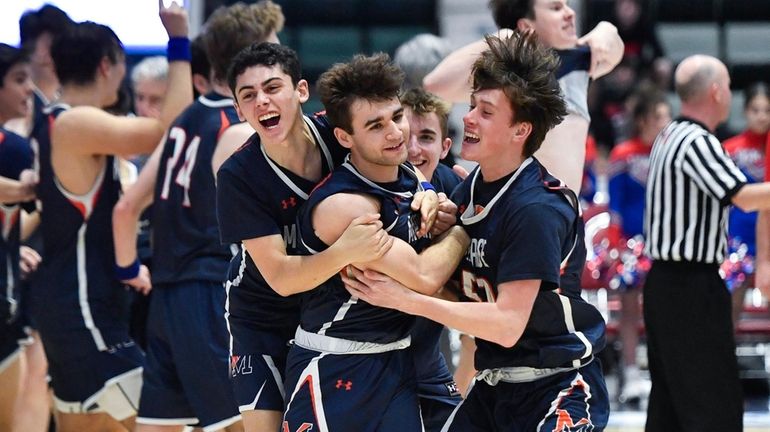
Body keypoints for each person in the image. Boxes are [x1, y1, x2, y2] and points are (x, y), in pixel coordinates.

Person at [343, 32, 609, 431]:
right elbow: (467, 287)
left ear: (520, 130)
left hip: (556, 386)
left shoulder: (535, 208)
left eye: (485, 111)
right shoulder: (474, 188)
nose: (468, 117)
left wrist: (406, 299)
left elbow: (506, 324)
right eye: (471, 106)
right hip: (496, 385)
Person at [217, 41, 410, 432]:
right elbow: (283, 279)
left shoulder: (337, 134)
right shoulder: (237, 176)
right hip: (262, 318)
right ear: (238, 111)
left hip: (327, 315)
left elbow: (395, 161)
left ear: (300, 92)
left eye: (272, 88)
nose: (262, 102)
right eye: (249, 96)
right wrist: (344, 251)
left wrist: (428, 194)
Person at [112, 2, 284, 431]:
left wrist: (129, 268)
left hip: (167, 298)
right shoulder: (240, 130)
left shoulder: (183, 118)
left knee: (158, 426)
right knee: (244, 424)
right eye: (275, 50)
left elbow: (127, 205)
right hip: (211, 295)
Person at [282, 53, 468, 432]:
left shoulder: (407, 172)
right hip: (335, 362)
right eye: (376, 125)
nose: (396, 133)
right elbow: (423, 276)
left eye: (397, 117)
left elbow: (417, 181)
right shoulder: (346, 206)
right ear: (344, 137)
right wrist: (464, 229)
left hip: (398, 357)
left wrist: (432, 193)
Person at [28, 3, 192, 431]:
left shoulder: (59, 121)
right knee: (168, 420)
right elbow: (171, 129)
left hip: (76, 303)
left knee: (85, 425)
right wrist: (178, 40)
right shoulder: (76, 123)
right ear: (107, 65)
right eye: (122, 65)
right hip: (83, 310)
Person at [644, 55, 770, 432]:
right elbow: (744, 197)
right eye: (729, 85)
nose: (730, 94)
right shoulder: (697, 140)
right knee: (713, 403)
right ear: (716, 92)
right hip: (689, 287)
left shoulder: (668, 135)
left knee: (670, 404)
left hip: (667, 285)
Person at [424, 0, 624, 193]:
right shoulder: (504, 80)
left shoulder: (578, 63)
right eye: (556, 7)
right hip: (519, 207)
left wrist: (606, 30)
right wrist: (503, 37)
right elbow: (435, 84)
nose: (569, 13)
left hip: (566, 211)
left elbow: (613, 52)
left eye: (567, 5)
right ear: (526, 25)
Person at [399, 87, 463, 430]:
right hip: (371, 356)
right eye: (406, 136)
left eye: (426, 137)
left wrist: (460, 223)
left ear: (445, 147)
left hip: (426, 351)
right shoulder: (374, 186)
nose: (413, 149)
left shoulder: (456, 186)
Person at [607, 88, 670, 404]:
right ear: (644, 120)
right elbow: (615, 203)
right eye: (660, 117)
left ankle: (663, 372)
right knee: (629, 310)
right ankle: (631, 372)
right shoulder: (624, 153)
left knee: (664, 310)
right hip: (631, 242)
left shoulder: (672, 152)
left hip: (666, 243)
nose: (666, 123)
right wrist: (617, 243)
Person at [0, 43, 36, 432]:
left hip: (7, 307)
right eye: (19, 80)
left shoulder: (15, 147)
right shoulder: (13, 148)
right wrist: (28, 189)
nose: (29, 90)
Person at [723, 83, 770, 322]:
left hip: (767, 238)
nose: (762, 116)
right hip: (738, 238)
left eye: (767, 110)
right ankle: (726, 359)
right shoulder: (730, 149)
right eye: (755, 110)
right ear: (745, 111)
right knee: (730, 310)